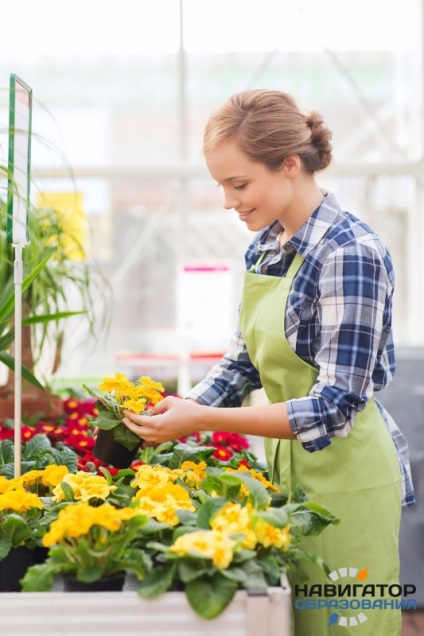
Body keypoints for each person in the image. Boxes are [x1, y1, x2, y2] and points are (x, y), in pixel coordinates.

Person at [123, 89, 415, 635]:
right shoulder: (267, 246)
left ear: (288, 165)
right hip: (288, 477)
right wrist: (182, 408)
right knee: (293, 624)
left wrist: (203, 421)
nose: (228, 202)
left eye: (239, 184)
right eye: (221, 186)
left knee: (346, 627)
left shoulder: (350, 253)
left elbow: (333, 406)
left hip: (347, 478)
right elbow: (244, 362)